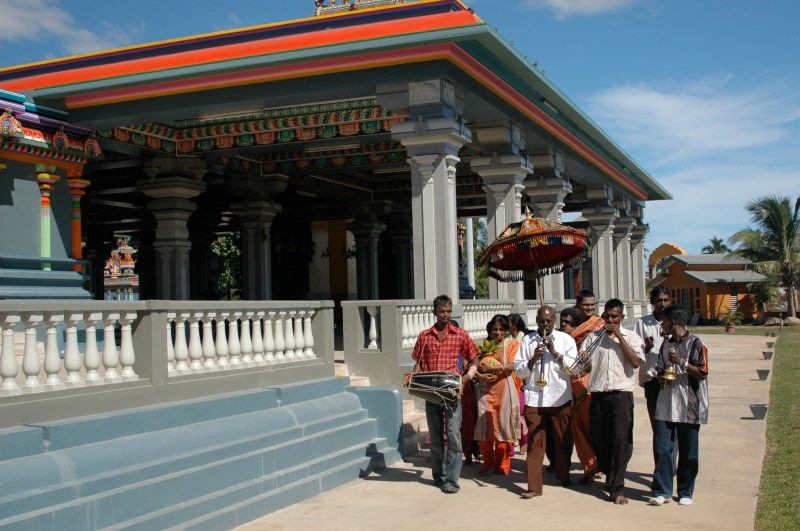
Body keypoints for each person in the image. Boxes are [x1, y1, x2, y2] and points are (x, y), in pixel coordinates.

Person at [410, 295, 480, 494]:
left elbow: (475, 358)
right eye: (442, 311)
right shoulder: (424, 336)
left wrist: (467, 377)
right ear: (435, 312)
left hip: (452, 392)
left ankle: (451, 480)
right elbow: (419, 362)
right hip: (431, 392)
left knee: (453, 435)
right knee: (435, 437)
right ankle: (439, 476)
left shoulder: (460, 335)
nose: (445, 315)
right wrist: (413, 377)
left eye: (448, 311)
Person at [582, 298, 645, 505]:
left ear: (622, 317)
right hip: (599, 394)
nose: (610, 320)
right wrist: (585, 361)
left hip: (621, 395)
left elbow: (635, 362)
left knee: (620, 441)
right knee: (600, 440)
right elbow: (585, 368)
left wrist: (619, 337)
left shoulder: (631, 337)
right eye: (607, 316)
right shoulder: (593, 338)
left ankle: (617, 488)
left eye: (614, 317)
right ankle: (610, 476)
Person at [514, 306, 578, 499]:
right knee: (536, 442)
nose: (545, 324)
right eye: (541, 321)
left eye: (548, 321)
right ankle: (534, 486)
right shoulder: (528, 340)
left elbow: (574, 369)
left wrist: (555, 353)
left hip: (560, 396)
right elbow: (519, 371)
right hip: (535, 396)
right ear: (536, 320)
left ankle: (563, 475)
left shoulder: (566, 340)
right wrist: (534, 359)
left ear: (554, 321)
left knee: (563, 438)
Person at [649, 305, 709, 507]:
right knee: (663, 448)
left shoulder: (696, 343)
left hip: (689, 405)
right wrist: (661, 378)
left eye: (664, 322)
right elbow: (659, 368)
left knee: (688, 451)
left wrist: (682, 363)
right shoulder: (665, 343)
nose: (662, 326)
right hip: (666, 404)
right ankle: (662, 490)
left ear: (673, 323)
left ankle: (685, 490)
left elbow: (702, 372)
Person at [472, 315, 521, 476]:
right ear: (490, 330)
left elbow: (513, 365)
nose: (498, 332)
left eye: (501, 329)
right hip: (485, 391)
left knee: (503, 427)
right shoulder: (484, 347)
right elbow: (473, 366)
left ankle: (503, 465)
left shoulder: (512, 344)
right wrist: (480, 375)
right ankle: (487, 463)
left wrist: (493, 368)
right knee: (484, 426)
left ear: (506, 331)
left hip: (504, 390)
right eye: (495, 329)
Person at [569, 290, 604, 484]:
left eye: (592, 304)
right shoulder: (570, 323)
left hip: (594, 378)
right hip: (573, 377)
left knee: (594, 425)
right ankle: (589, 466)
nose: (590, 308)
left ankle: (599, 463)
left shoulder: (600, 325)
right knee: (577, 424)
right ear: (578, 305)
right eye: (586, 305)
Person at [634, 286, 672, 460]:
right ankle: (661, 466)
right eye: (658, 301)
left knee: (672, 424)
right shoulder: (642, 324)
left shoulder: (675, 321)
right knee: (657, 426)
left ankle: (670, 464)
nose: (662, 304)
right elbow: (635, 351)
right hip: (652, 380)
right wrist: (646, 348)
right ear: (652, 302)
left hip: (672, 380)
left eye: (665, 300)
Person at [507, 313, 529, 456]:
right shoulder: (505, 340)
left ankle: (524, 441)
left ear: (514, 325)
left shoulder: (525, 338)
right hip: (508, 380)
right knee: (508, 414)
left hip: (521, 381)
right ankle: (509, 446)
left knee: (520, 413)